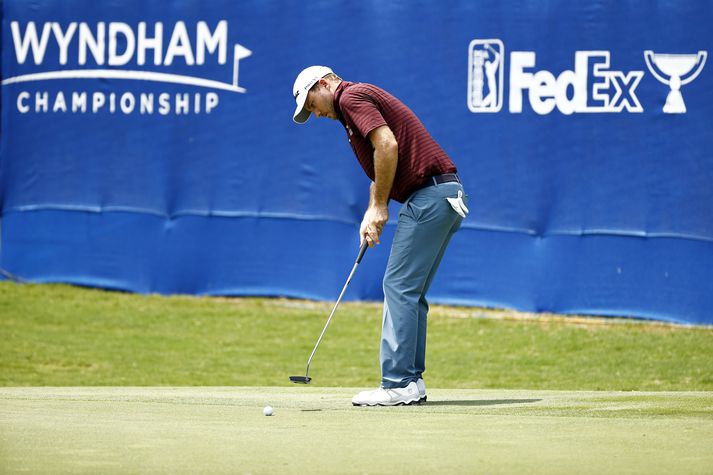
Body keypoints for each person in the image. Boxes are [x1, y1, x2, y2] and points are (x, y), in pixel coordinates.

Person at [292, 66, 468, 406]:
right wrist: (372, 209)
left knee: (398, 286)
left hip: (429, 196)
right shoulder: (353, 105)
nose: (314, 113)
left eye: (311, 103)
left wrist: (380, 207)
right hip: (442, 195)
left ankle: (398, 382)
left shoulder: (351, 97)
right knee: (410, 291)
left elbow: (387, 145)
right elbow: (381, 162)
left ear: (324, 83)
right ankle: (411, 383)